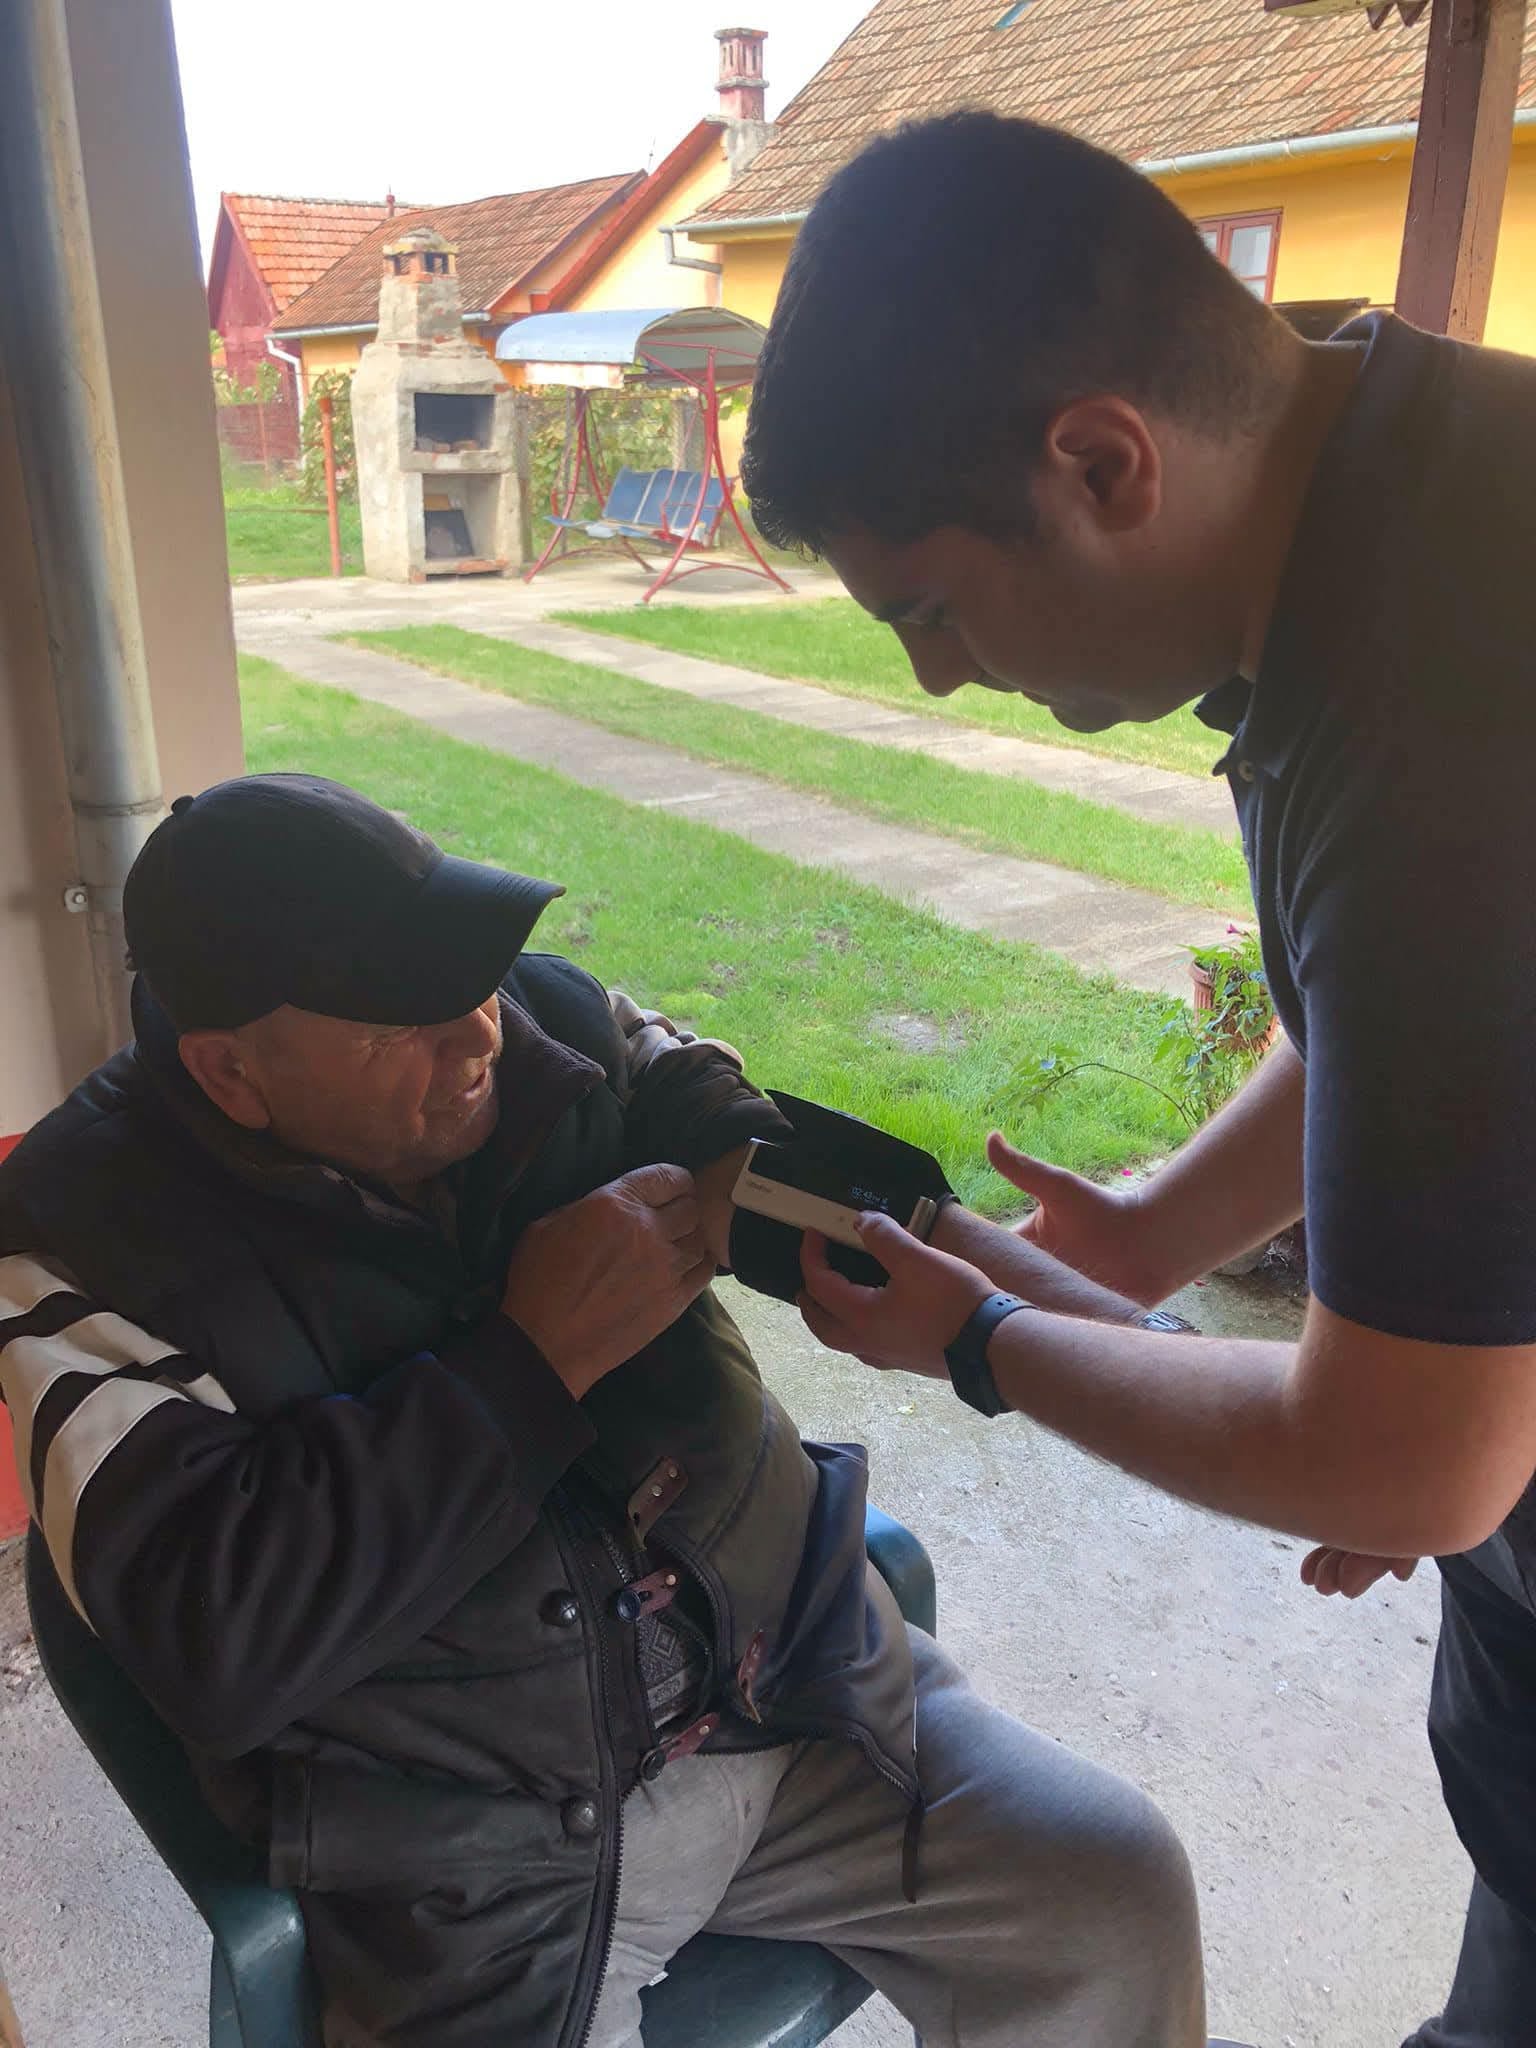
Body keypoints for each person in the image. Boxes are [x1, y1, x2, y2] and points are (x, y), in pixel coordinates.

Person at [0, 773, 1212, 2048]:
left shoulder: (552, 1026)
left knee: (1111, 1889)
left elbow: (826, 1195)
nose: (478, 1035)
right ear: (231, 1071)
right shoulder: (81, 1237)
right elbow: (219, 1641)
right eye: (398, 1023)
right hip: (484, 1868)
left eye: (469, 976)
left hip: (798, 1693)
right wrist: (527, 1361)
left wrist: (1143, 1353)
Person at [742, 107, 1536, 2048]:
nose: (935, 679)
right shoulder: (1400, 461)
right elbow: (1413, 1017)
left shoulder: (1440, 720)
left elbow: (1408, 1463)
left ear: (1102, 461)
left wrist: (986, 1340)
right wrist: (1162, 1236)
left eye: (929, 609)